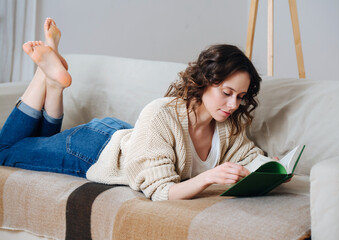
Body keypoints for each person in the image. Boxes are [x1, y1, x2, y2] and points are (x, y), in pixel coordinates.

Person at [0, 18, 265, 201]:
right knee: (4, 151)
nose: (233, 105)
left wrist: (275, 169)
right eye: (227, 93)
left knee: (38, 142)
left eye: (240, 97)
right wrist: (209, 177)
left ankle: (53, 81)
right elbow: (161, 192)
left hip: (130, 139)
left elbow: (250, 156)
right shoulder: (162, 113)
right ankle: (43, 75)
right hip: (94, 149)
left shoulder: (227, 126)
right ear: (205, 82)